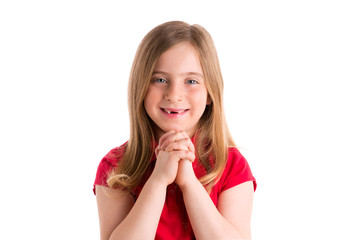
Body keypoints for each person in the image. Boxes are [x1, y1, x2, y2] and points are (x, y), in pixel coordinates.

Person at [93, 21, 257, 240]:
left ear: (210, 93)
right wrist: (158, 180)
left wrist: (189, 182)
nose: (174, 94)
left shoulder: (232, 166)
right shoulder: (116, 166)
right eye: (160, 79)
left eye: (191, 81)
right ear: (140, 88)